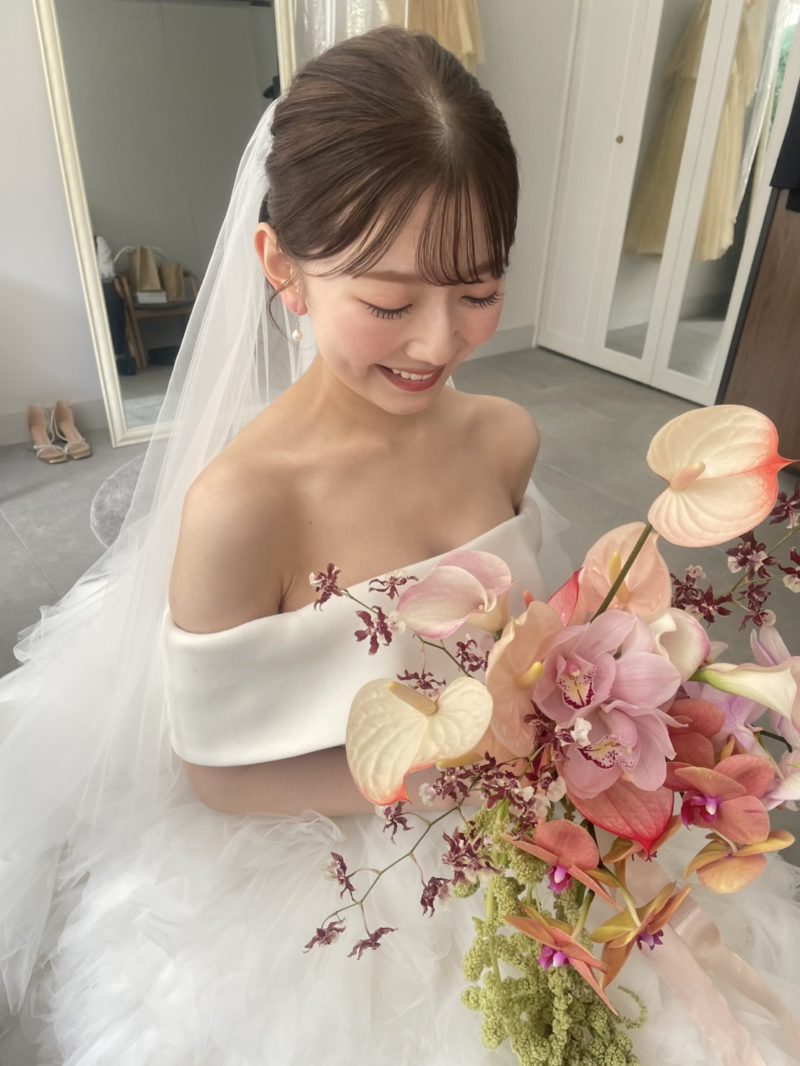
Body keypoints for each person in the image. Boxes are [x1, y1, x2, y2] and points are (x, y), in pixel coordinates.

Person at [1, 26, 798, 1066]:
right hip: (339, 873)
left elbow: (527, 635)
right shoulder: (246, 506)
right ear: (282, 269)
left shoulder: (504, 437)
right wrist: (444, 779)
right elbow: (218, 776)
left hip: (536, 829)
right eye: (388, 302)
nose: (437, 342)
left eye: (478, 293)